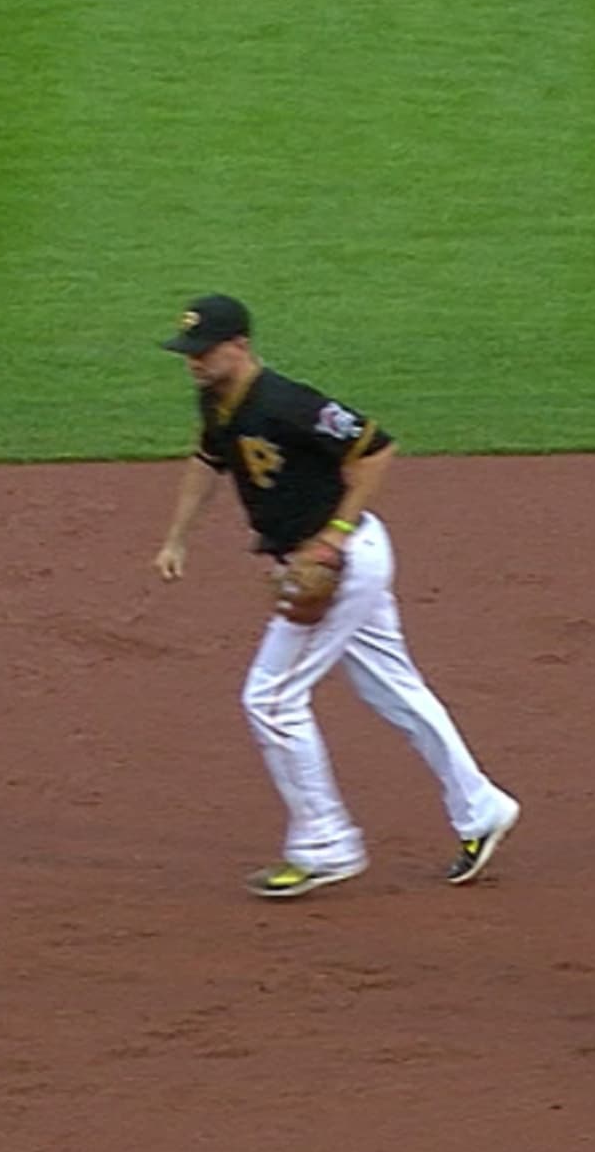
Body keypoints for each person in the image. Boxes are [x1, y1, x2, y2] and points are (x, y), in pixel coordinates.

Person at [152, 294, 521, 899]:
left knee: (270, 698)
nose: (191, 362)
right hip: (320, 560)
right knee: (394, 688)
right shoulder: (215, 398)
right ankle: (482, 808)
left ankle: (325, 844)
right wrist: (177, 539)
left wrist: (333, 539)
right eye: (187, 353)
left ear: (239, 346)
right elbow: (206, 458)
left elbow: (376, 449)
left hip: (342, 562)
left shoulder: (288, 401)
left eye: (203, 351)